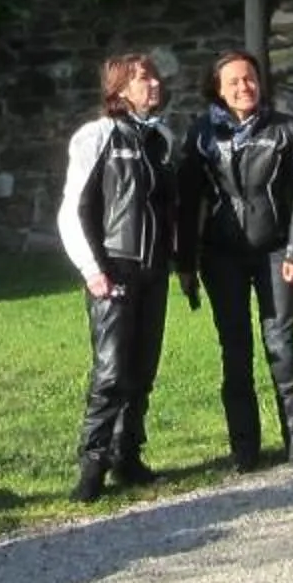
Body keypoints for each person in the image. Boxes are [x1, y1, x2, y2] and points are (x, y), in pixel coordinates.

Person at [177, 48, 293, 471]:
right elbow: (187, 203)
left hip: (275, 251)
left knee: (281, 344)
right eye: (234, 82)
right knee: (235, 349)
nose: (245, 87)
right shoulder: (201, 136)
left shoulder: (285, 130)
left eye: (250, 78)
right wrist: (185, 263)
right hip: (221, 256)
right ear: (218, 90)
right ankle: (245, 448)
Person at [57, 50, 178, 501]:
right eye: (143, 78)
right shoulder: (97, 136)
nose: (154, 84)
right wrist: (93, 270)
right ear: (119, 88)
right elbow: (72, 210)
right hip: (114, 267)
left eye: (154, 77)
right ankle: (92, 466)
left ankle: (128, 456)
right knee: (110, 372)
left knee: (142, 370)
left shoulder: (160, 138)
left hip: (153, 269)